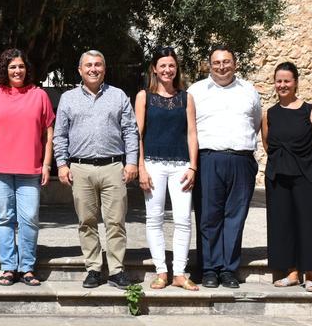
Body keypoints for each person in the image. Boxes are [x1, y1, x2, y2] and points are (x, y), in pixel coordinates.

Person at [54, 50, 139, 289]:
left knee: (115, 221)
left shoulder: (118, 96)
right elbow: (60, 135)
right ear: (80, 70)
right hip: (80, 168)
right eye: (88, 65)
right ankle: (93, 268)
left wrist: (131, 162)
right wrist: (61, 164)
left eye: (98, 65)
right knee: (86, 221)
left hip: (113, 166)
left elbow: (130, 131)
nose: (93, 69)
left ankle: (116, 270)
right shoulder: (68, 98)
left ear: (104, 69)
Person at [187, 45, 261, 289]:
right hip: (209, 159)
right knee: (208, 216)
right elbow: (189, 129)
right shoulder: (195, 91)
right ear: (210, 64)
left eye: (227, 62)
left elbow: (257, 122)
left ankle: (229, 268)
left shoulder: (249, 91)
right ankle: (209, 268)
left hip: (241, 160)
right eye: (217, 62)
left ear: (235, 63)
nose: (222, 66)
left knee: (235, 217)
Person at [0, 49, 55, 286]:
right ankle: (8, 267)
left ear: (27, 69)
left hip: (30, 167)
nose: (17, 71)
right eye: (12, 67)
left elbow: (49, 131)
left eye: (21, 66)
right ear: (5, 70)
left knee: (30, 218)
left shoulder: (39, 95)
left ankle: (27, 267)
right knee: (4, 218)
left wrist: (46, 164)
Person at [262, 62, 312, 293]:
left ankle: (310, 274)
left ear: (295, 83)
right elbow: (267, 143)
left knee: (307, 222)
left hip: (306, 175)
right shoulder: (269, 113)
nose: (282, 85)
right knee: (283, 224)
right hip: (278, 176)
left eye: (287, 81)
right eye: (278, 81)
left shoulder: (309, 110)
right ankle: (292, 273)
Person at [135, 47, 199, 291]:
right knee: (154, 219)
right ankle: (161, 271)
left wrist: (193, 166)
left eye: (171, 65)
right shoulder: (144, 97)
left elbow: (192, 133)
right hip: (153, 163)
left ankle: (180, 273)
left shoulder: (186, 98)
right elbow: (137, 133)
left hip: (181, 165)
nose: (167, 69)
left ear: (176, 68)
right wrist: (141, 167)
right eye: (162, 65)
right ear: (154, 68)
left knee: (183, 220)